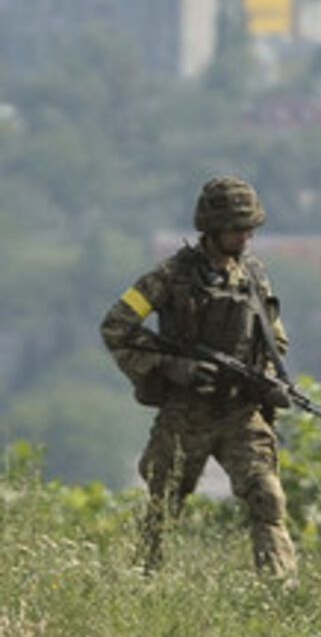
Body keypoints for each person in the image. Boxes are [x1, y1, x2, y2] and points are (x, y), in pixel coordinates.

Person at [98, 175, 298, 579]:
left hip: (240, 412)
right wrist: (172, 367)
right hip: (187, 412)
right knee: (165, 507)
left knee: (268, 496)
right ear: (211, 227)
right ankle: (144, 582)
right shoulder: (169, 276)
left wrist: (268, 377)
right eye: (236, 229)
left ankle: (281, 589)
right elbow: (116, 326)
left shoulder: (255, 277)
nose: (245, 237)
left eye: (249, 229)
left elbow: (275, 339)